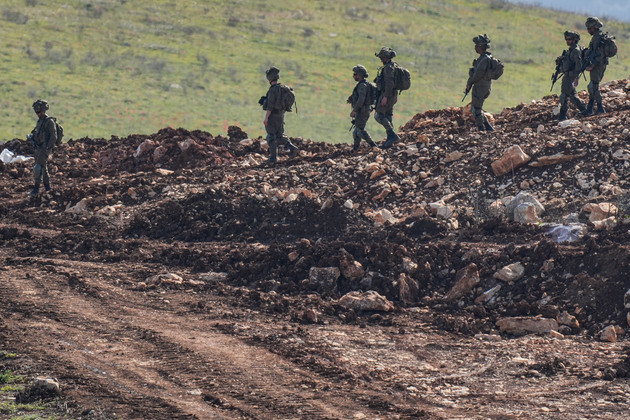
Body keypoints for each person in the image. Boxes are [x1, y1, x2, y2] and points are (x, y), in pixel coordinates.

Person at [262, 66, 298, 164]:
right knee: (279, 135)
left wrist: (266, 118)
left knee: (271, 136)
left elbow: (270, 106)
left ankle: (273, 158)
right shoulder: (282, 89)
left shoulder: (272, 90)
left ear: (269, 79)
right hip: (281, 115)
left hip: (273, 116)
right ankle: (291, 147)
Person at [465, 34, 495, 131]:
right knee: (476, 108)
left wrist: (469, 83)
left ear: (481, 47)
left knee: (476, 109)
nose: (475, 48)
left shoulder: (484, 60)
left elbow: (477, 75)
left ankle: (482, 129)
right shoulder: (485, 58)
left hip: (481, 87)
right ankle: (488, 128)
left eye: (477, 46)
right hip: (483, 86)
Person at [28, 99, 57, 195]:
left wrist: (48, 147)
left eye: (39, 111)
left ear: (44, 111)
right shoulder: (39, 122)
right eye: (36, 112)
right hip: (38, 148)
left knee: (37, 168)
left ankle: (36, 189)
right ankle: (48, 187)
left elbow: (54, 136)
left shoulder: (49, 122)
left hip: (45, 148)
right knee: (43, 168)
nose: (38, 113)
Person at [556, 31, 587, 121]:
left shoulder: (576, 51)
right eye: (566, 39)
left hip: (571, 77)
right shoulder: (570, 50)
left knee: (564, 96)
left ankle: (562, 115)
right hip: (567, 76)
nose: (567, 41)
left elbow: (578, 67)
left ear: (574, 40)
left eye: (569, 39)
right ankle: (583, 109)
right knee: (572, 96)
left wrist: (575, 78)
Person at [374, 47, 400, 149]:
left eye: (382, 57)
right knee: (388, 115)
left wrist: (385, 97)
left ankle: (392, 135)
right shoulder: (394, 65)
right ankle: (390, 140)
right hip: (393, 95)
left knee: (379, 115)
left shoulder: (388, 68)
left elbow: (389, 83)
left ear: (386, 57)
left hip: (387, 95)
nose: (381, 59)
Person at [347, 65, 377, 151]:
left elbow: (361, 99)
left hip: (363, 110)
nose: (354, 76)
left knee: (360, 130)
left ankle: (373, 145)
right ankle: (355, 148)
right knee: (356, 131)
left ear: (359, 75)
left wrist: (354, 110)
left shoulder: (362, 86)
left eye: (355, 74)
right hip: (362, 110)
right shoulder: (362, 85)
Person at [583, 17, 608, 115]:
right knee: (593, 86)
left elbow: (599, 54)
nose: (588, 30)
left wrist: (592, 66)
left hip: (598, 65)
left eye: (589, 28)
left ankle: (600, 108)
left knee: (593, 86)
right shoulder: (598, 36)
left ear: (594, 27)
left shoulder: (598, 38)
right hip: (599, 64)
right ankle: (589, 109)